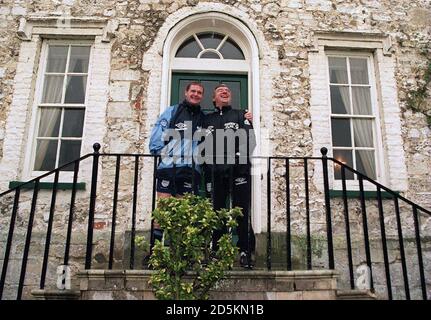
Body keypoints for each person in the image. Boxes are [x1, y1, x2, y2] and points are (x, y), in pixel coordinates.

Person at [202, 84, 256, 268]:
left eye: (227, 91)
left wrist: (237, 160)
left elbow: (250, 140)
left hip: (239, 171)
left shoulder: (241, 115)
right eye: (220, 91)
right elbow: (201, 144)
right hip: (215, 173)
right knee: (217, 212)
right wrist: (206, 164)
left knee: (241, 211)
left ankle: (245, 251)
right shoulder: (206, 119)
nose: (225, 92)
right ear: (213, 98)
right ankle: (216, 250)